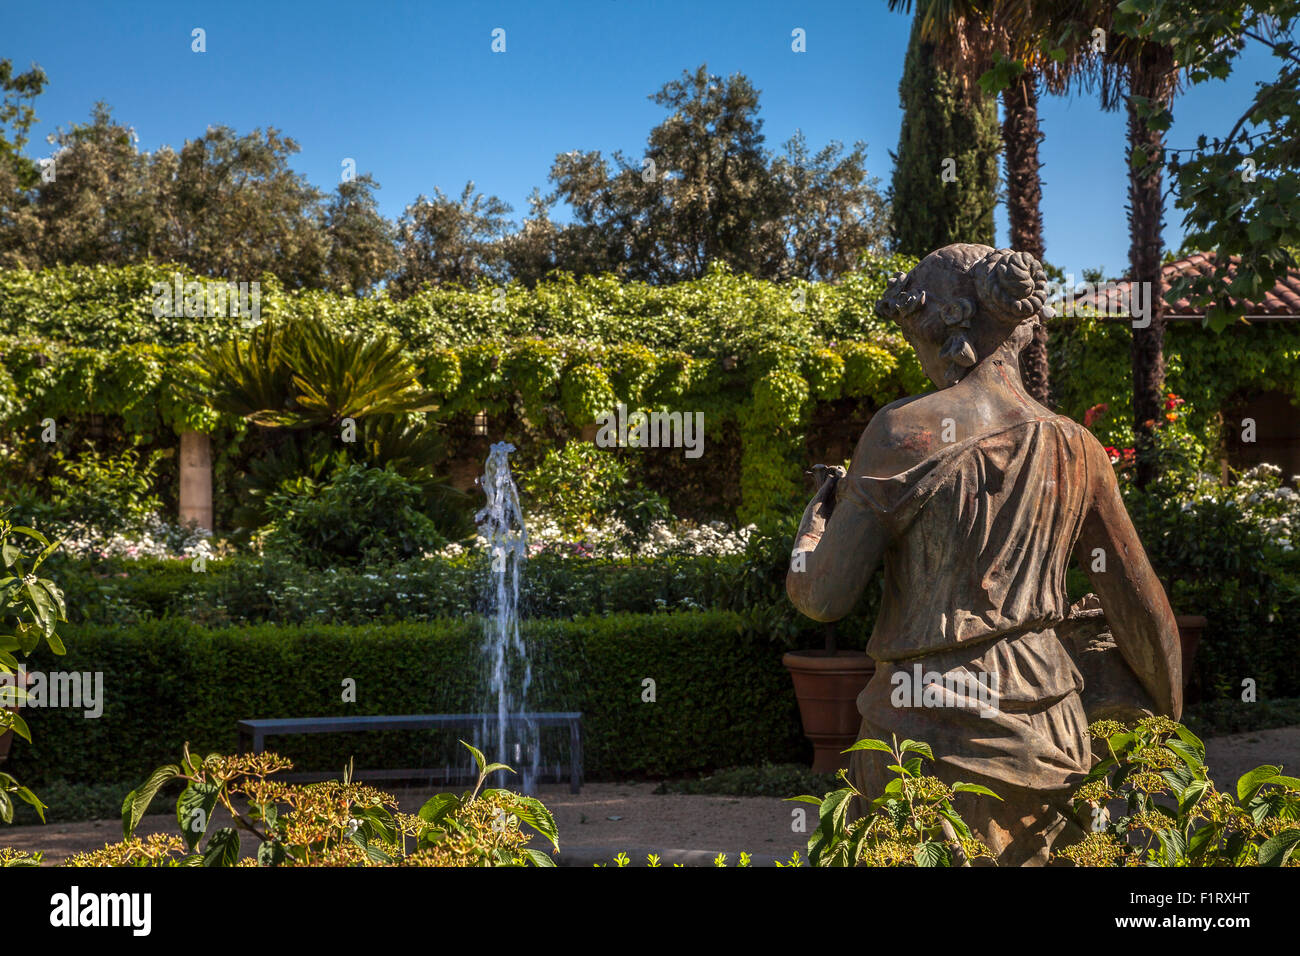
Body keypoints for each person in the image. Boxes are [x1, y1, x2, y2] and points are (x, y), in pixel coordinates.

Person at [786, 244, 1181, 865]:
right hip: (1052, 731)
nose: (922, 363)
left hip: (916, 738)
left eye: (918, 340)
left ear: (952, 327)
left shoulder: (899, 434)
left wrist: (813, 529)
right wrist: (1166, 734)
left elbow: (823, 599)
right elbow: (1146, 609)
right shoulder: (1077, 448)